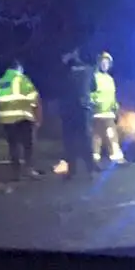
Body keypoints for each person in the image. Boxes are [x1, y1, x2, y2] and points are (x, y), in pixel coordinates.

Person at [53, 47, 98, 179]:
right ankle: (91, 169)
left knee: (69, 140)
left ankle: (72, 171)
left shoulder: (64, 70)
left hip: (68, 109)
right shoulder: (88, 69)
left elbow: (56, 84)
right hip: (84, 108)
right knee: (86, 138)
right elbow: (94, 87)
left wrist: (63, 62)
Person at [0, 59, 42, 180]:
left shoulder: (1, 82)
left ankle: (16, 172)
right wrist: (37, 117)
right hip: (22, 117)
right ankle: (29, 169)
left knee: (13, 146)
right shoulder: (21, 79)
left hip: (6, 119)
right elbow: (34, 98)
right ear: (18, 68)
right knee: (28, 145)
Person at [92, 51, 125, 165]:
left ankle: (116, 157)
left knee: (111, 136)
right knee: (96, 137)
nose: (105, 64)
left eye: (107, 63)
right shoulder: (94, 77)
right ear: (99, 63)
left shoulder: (110, 79)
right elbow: (89, 93)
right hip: (96, 113)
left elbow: (112, 95)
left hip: (108, 113)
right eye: (103, 62)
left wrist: (116, 107)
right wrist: (94, 104)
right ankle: (94, 158)